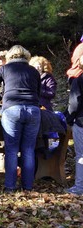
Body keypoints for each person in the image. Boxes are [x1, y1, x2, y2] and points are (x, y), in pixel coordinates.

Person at [0, 45, 41, 193]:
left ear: (10, 56)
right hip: (33, 110)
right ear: (26, 56)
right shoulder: (34, 71)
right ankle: (28, 186)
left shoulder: (5, 69)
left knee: (11, 150)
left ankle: (10, 187)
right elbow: (38, 92)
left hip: (12, 109)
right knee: (29, 149)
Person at [66, 56, 83, 195]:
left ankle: (79, 187)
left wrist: (68, 118)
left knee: (81, 155)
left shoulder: (79, 80)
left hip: (81, 122)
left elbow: (74, 103)